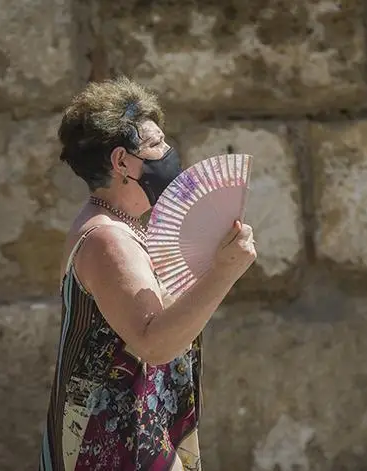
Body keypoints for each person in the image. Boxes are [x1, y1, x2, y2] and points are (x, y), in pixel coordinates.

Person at [38, 76, 256, 471]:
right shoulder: (108, 240)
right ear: (122, 161)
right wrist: (224, 273)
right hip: (113, 443)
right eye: (156, 144)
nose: (169, 153)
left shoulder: (125, 227)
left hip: (131, 432)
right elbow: (153, 343)